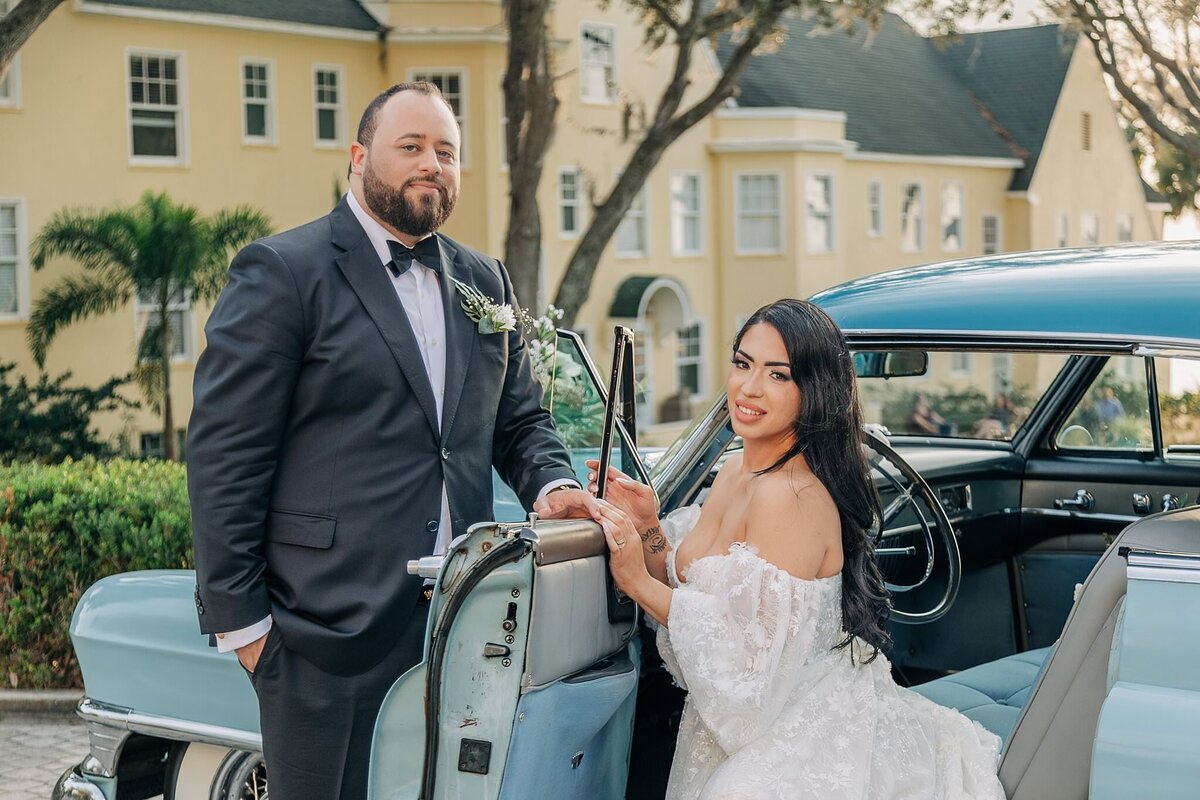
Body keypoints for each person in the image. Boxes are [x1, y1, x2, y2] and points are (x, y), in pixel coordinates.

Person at [187, 81, 595, 799]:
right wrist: (246, 629)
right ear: (359, 156)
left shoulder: (484, 279)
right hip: (324, 633)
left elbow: (520, 421)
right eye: (410, 146)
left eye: (447, 152)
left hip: (464, 628)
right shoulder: (284, 271)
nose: (431, 164)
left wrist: (554, 486)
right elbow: (225, 456)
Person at [587, 300, 1004, 798]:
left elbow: (743, 669)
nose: (749, 387)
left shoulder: (791, 495)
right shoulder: (736, 471)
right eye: (743, 364)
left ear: (814, 392)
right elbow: (692, 587)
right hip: (740, 722)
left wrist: (634, 581)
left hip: (799, 727)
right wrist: (649, 525)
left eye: (778, 375)